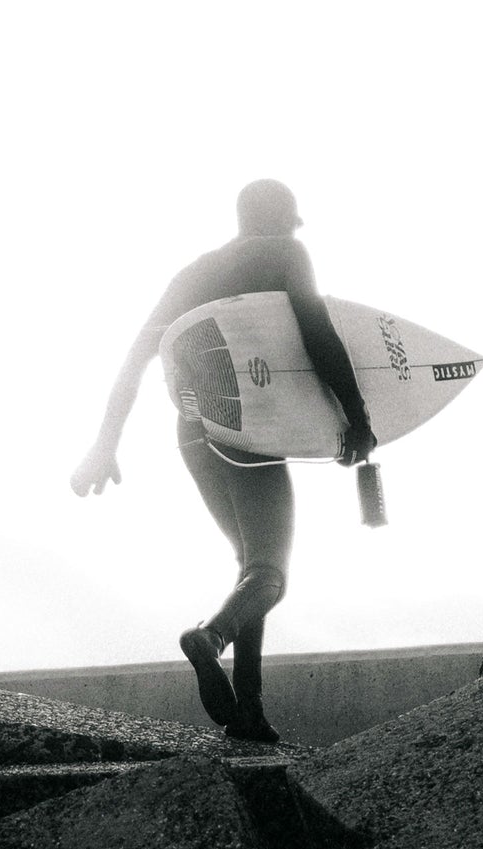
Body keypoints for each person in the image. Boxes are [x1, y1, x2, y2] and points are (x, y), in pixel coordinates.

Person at [69, 179, 376, 742]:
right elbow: (317, 332)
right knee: (271, 572)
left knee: (249, 564)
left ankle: (249, 710)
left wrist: (105, 443)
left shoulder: (192, 273)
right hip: (247, 429)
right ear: (282, 218)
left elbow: (136, 357)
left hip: (193, 431)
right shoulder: (284, 252)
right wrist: (356, 417)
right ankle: (209, 639)